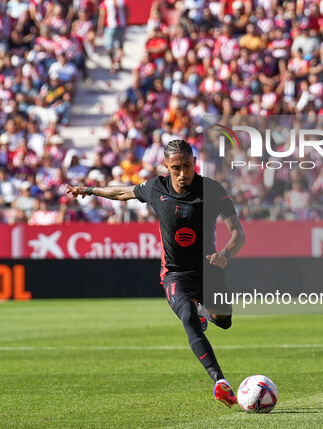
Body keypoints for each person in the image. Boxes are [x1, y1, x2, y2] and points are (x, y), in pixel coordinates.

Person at [66, 139, 246, 408]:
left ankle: (203, 312)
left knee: (223, 321)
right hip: (175, 274)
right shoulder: (156, 188)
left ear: (195, 162)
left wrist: (225, 255)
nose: (183, 173)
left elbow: (238, 234)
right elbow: (123, 193)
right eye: (177, 168)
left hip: (209, 268)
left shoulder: (212, 190)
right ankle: (220, 382)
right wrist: (90, 190)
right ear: (166, 166)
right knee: (187, 317)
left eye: (187, 165)